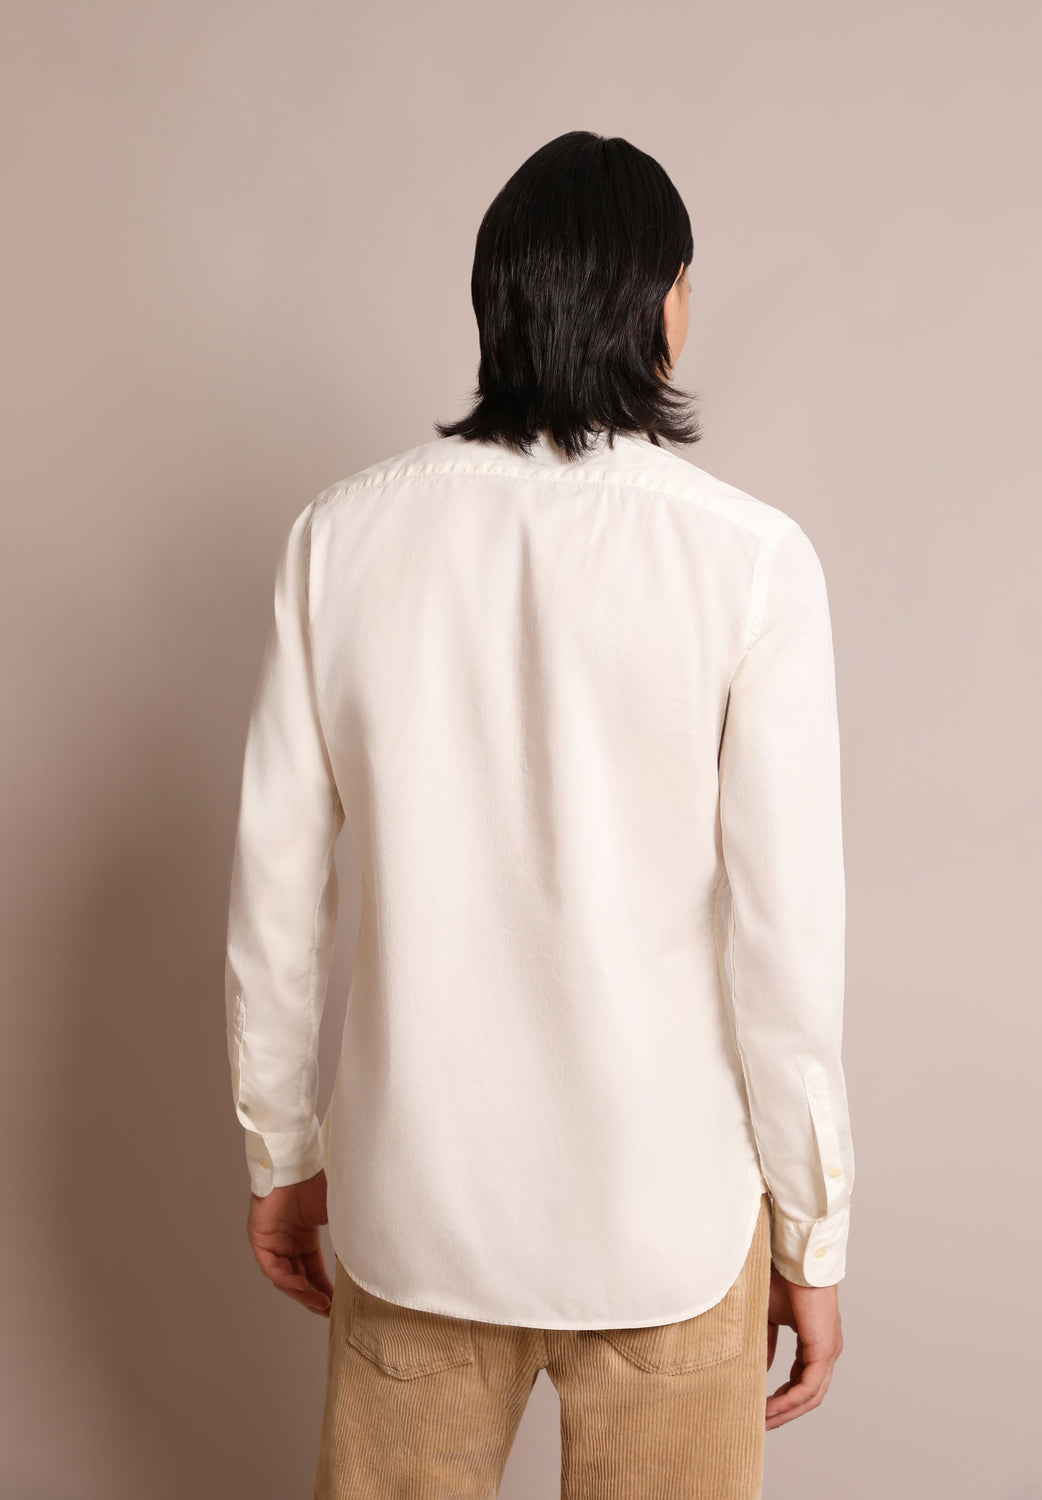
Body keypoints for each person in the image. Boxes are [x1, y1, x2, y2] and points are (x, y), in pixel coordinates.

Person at [224, 130, 854, 1499]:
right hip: (667, 1220)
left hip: (415, 1210)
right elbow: (786, 946)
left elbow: (275, 888)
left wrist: (282, 1149)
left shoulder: (342, 538)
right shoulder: (749, 561)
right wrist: (813, 1232)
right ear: (663, 304)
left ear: (494, 298)